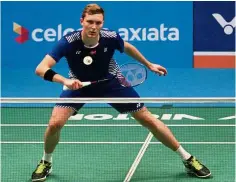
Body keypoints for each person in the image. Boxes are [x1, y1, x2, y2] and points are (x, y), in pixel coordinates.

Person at [31, 3, 211, 182]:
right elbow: (41, 68)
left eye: (98, 23)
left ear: (102, 23)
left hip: (111, 82)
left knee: (148, 119)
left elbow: (128, 47)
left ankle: (187, 158)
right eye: (90, 22)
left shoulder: (110, 37)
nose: (94, 27)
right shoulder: (68, 42)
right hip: (79, 85)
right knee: (55, 123)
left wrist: (149, 64)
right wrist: (65, 81)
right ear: (82, 21)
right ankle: (46, 161)